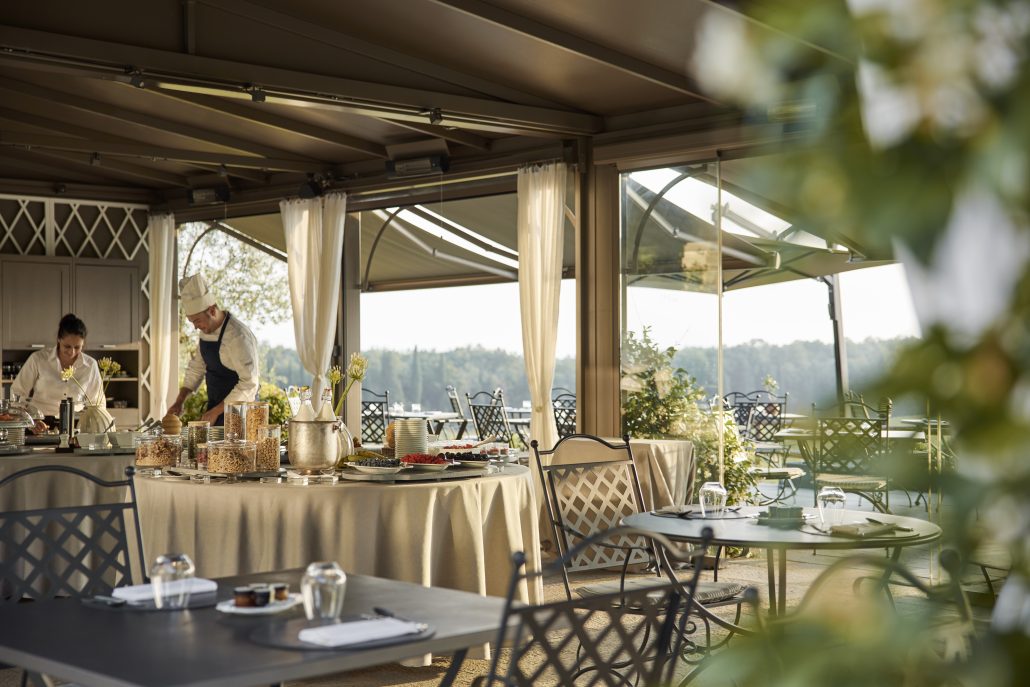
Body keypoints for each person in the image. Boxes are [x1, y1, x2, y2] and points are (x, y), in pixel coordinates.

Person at [168, 273, 259, 425]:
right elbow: (197, 368)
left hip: (241, 414)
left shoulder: (238, 336)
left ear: (212, 311)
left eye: (197, 321)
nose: (196, 326)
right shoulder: (206, 331)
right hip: (217, 410)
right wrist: (180, 400)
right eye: (192, 322)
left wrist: (215, 411)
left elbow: (249, 383)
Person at [11, 313, 104, 427]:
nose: (72, 352)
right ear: (59, 340)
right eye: (67, 346)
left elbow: (97, 403)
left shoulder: (90, 365)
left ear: (83, 344)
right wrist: (30, 420)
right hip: (39, 423)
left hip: (76, 425)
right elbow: (17, 392)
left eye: (77, 347)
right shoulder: (38, 359)